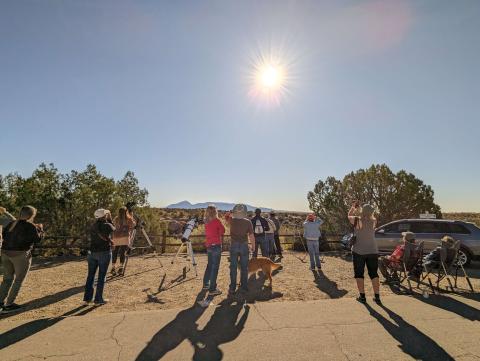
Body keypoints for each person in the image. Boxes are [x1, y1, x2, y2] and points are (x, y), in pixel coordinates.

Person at [0, 206, 44, 313]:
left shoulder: (12, 223)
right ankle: (9, 305)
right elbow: (37, 240)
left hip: (5, 254)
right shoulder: (31, 226)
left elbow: (4, 235)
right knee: (18, 280)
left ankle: (0, 301)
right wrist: (41, 230)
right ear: (31, 215)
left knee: (7, 279)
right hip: (20, 255)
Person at [348, 202, 381, 305]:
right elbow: (371, 216)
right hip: (372, 250)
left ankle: (362, 297)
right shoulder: (374, 221)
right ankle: (377, 297)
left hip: (359, 251)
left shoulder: (357, 220)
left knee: (359, 274)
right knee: (374, 274)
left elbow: (348, 216)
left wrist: (353, 208)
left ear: (362, 211)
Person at [83, 208, 115, 305]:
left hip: (92, 253)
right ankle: (98, 299)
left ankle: (87, 299)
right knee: (101, 276)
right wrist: (110, 218)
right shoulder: (107, 225)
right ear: (104, 216)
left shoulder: (93, 225)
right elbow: (114, 228)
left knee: (90, 276)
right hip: (104, 253)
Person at [229, 204, 254, 296]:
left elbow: (227, 216)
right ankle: (244, 286)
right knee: (244, 267)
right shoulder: (248, 222)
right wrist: (253, 246)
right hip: (244, 245)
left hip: (234, 245)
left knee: (233, 267)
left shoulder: (231, 220)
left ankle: (232, 287)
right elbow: (251, 235)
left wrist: (231, 213)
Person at [202, 204, 225, 296]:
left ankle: (205, 284)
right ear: (215, 212)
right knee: (215, 268)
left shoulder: (206, 221)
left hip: (209, 246)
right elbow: (223, 231)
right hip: (216, 246)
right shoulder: (217, 221)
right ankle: (212, 289)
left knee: (210, 265)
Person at [111, 207, 136, 275]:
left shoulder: (116, 218)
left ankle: (113, 268)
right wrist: (132, 216)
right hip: (125, 238)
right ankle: (121, 268)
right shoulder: (129, 218)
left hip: (116, 237)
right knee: (122, 253)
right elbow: (134, 225)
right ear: (126, 212)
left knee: (115, 253)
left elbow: (113, 226)